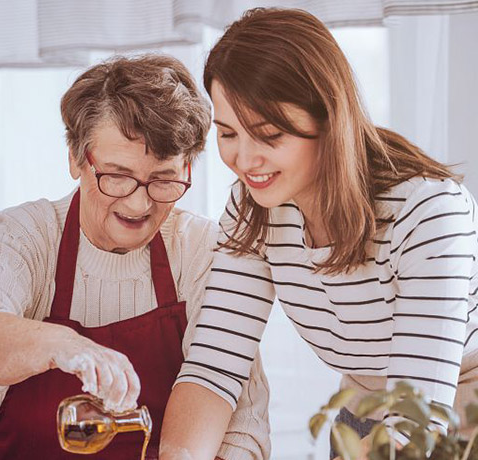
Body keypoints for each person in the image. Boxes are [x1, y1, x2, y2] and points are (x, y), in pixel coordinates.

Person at [159, 8, 478, 460]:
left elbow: (415, 418)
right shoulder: (253, 207)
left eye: (268, 134)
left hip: (458, 413)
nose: (245, 160)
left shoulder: (427, 211)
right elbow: (215, 365)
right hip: (363, 408)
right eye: (228, 133)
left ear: (329, 118)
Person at [0, 54, 271, 459]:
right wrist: (59, 344)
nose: (139, 203)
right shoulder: (25, 235)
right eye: (117, 176)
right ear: (77, 158)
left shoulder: (201, 249)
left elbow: (243, 423)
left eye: (163, 179)